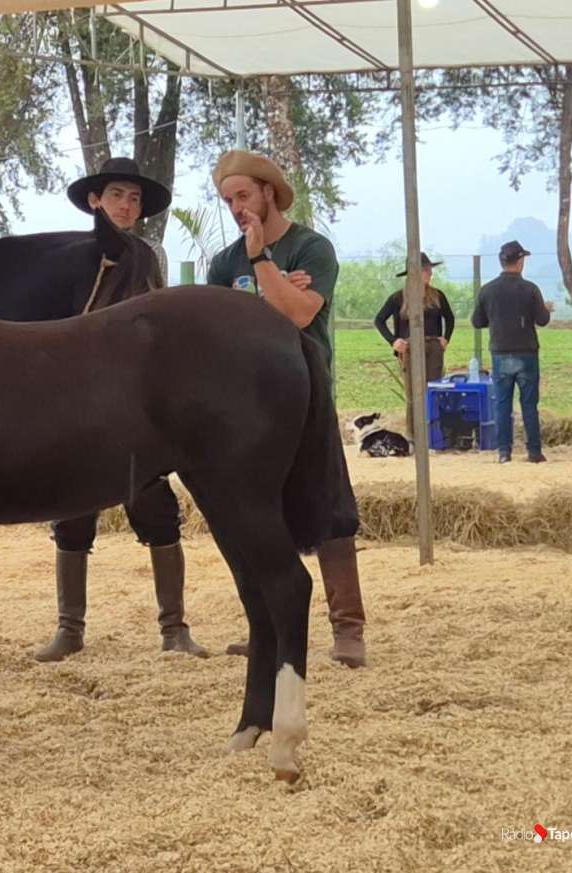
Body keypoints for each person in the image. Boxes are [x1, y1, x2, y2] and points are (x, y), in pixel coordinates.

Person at [34, 157, 208, 663]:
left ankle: (174, 629)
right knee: (70, 514)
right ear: (96, 201)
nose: (127, 206)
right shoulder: (72, 255)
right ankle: (70, 629)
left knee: (155, 507)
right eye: (117, 196)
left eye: (133, 199)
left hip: (132, 400)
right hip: (76, 397)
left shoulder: (149, 254)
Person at [206, 149, 367, 669]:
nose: (236, 208)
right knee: (255, 515)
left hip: (306, 391)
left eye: (244, 195)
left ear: (268, 192)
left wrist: (262, 265)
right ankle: (268, 630)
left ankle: (349, 630)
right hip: (246, 404)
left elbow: (297, 315)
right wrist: (269, 289)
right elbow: (219, 332)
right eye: (228, 200)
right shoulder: (221, 263)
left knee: (330, 510)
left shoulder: (311, 248)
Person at [470, 241, 553, 464]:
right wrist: (546, 308)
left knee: (502, 404)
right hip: (526, 352)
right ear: (520, 261)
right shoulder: (530, 289)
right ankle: (534, 451)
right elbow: (542, 320)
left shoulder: (487, 290)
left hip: (500, 352)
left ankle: (504, 452)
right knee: (529, 404)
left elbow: (477, 321)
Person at [373, 252, 455, 435]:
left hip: (433, 346)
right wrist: (393, 341)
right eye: (426, 270)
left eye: (430, 269)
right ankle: (413, 435)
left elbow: (449, 318)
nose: (430, 273)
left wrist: (445, 338)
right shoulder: (398, 298)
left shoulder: (437, 295)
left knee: (433, 390)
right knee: (412, 394)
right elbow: (379, 320)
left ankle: (434, 434)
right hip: (409, 348)